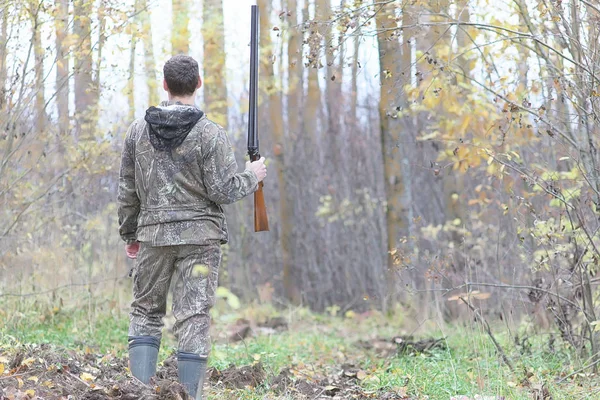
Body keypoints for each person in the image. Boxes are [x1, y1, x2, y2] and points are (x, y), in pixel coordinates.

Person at [117, 54, 267, 399]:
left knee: (144, 311)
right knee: (194, 316)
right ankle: (190, 396)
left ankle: (140, 392)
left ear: (165, 85)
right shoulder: (211, 134)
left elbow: (127, 190)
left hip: (153, 236)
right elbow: (223, 190)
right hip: (201, 240)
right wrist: (253, 175)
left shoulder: (136, 132)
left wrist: (130, 234)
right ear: (198, 83)